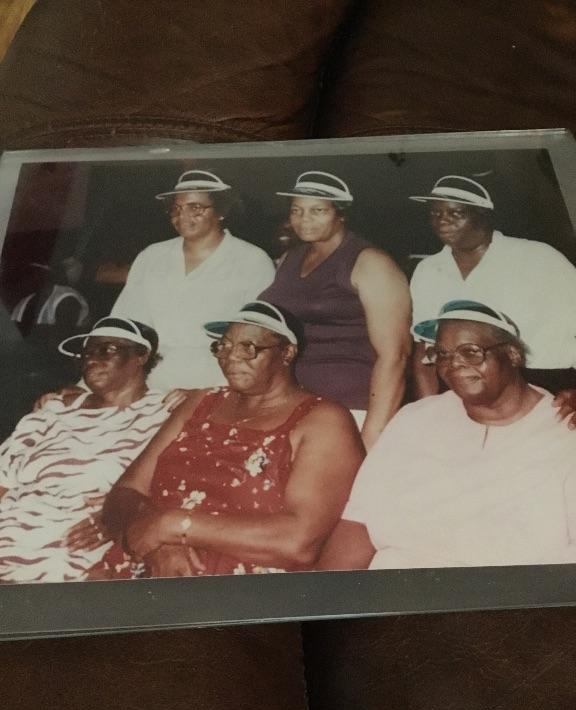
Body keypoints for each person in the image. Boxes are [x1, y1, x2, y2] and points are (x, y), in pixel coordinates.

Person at [101, 301, 365, 578]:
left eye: (249, 347)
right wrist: (159, 547)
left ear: (287, 353)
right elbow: (123, 494)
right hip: (149, 565)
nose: (231, 357)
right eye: (223, 346)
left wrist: (174, 526)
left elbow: (299, 542)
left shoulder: (322, 420)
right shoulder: (199, 404)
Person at [317, 300, 576, 572]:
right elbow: (358, 523)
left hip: (504, 600)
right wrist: (320, 605)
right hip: (394, 589)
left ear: (513, 355)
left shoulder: (564, 429)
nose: (454, 364)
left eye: (471, 351)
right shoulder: (415, 420)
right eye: (442, 354)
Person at [0, 317, 170, 583]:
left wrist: (120, 516)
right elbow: (3, 479)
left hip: (84, 539)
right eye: (87, 353)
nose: (91, 359)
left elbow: (170, 484)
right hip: (11, 527)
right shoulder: (55, 409)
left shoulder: (164, 412)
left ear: (141, 355)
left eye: (106, 350)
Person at [258, 171, 412, 450]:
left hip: (349, 405)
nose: (304, 219)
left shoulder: (371, 262)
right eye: (297, 210)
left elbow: (395, 356)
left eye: (317, 210)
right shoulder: (290, 258)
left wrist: (371, 438)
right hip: (293, 400)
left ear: (341, 214)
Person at [409, 174, 576, 399]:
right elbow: (425, 353)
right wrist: (428, 410)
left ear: (484, 215)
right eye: (435, 214)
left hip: (546, 385)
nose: (442, 221)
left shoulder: (538, 257)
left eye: (455, 213)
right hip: (463, 387)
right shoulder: (428, 270)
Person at [112, 169, 276, 390]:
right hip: (149, 377)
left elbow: (260, 337)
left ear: (220, 211)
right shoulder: (152, 256)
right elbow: (123, 325)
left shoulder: (252, 260)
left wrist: (213, 391)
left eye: (195, 208)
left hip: (218, 377)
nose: (182, 216)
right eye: (176, 209)